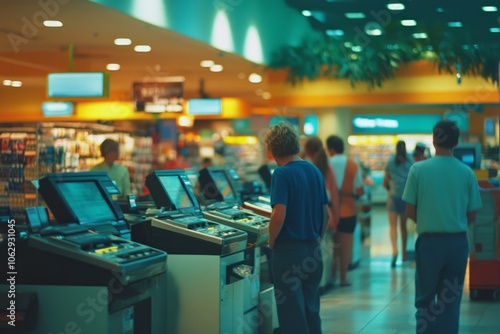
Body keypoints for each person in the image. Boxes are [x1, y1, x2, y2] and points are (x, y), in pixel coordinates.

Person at [402, 120, 482, 334]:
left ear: (434, 139)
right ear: (456, 142)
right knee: (450, 301)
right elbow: (472, 214)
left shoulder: (418, 170)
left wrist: (430, 220)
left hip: (428, 243)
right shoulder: (467, 173)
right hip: (457, 244)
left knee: (425, 300)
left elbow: (409, 211)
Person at [263, 122, 329, 334]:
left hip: (289, 252)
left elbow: (278, 214)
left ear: (273, 150)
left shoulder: (281, 174)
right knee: (311, 310)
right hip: (313, 251)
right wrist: (316, 238)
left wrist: (271, 241)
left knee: (292, 314)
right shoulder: (314, 171)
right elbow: (326, 215)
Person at [325, 135, 365, 287]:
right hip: (348, 211)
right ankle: (343, 278)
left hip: (330, 212)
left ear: (331, 149)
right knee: (345, 246)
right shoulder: (352, 164)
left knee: (331, 246)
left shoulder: (327, 164)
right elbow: (360, 190)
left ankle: (331, 276)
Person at [383, 140, 413, 267]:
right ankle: (404, 254)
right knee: (403, 227)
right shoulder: (410, 161)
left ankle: (395, 250)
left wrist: (391, 189)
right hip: (405, 198)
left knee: (393, 227)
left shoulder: (390, 162)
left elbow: (385, 182)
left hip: (393, 197)